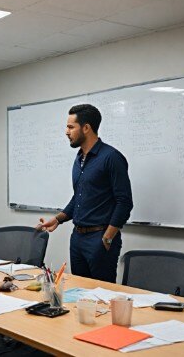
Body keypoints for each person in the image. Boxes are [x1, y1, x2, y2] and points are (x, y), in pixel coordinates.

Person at [36, 104, 133, 282]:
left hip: (100, 238)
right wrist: (58, 219)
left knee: (102, 295)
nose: (66, 132)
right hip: (78, 238)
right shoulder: (80, 158)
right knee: (80, 293)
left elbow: (124, 202)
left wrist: (108, 237)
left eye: (71, 127)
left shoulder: (111, 157)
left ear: (86, 128)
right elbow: (79, 197)